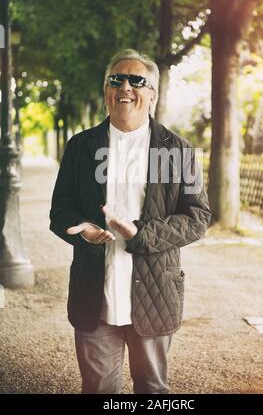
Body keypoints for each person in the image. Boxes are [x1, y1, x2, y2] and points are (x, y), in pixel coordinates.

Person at [49, 48, 211, 394]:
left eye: (137, 80)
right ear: (106, 91)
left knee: (152, 389)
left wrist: (142, 234)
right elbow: (60, 210)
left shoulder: (177, 150)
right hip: (95, 293)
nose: (125, 86)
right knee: (97, 390)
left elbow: (198, 216)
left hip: (155, 294)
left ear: (152, 94)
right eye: (116, 79)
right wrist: (83, 232)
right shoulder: (81, 147)